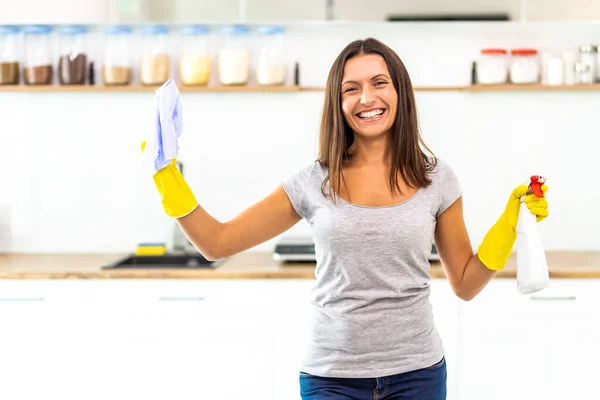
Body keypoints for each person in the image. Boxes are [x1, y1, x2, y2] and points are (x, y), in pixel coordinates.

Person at [143, 38, 549, 400]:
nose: (366, 98)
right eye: (350, 89)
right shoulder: (313, 182)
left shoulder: (436, 179)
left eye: (378, 83)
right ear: (337, 104)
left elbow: (465, 282)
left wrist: (510, 223)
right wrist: (168, 178)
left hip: (418, 376)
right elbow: (217, 242)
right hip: (330, 379)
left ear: (400, 91)